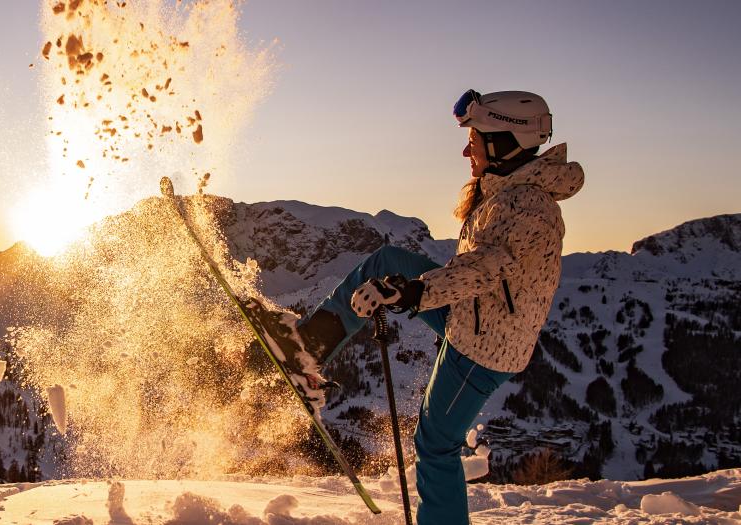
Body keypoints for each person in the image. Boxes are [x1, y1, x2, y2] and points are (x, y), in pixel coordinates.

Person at [248, 89, 584, 524]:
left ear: (504, 141)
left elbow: (489, 268)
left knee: (436, 445)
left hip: (484, 349)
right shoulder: (510, 192)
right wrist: (408, 287)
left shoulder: (530, 207)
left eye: (475, 139)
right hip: (472, 319)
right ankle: (309, 348)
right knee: (387, 260)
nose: (467, 149)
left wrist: (410, 293)